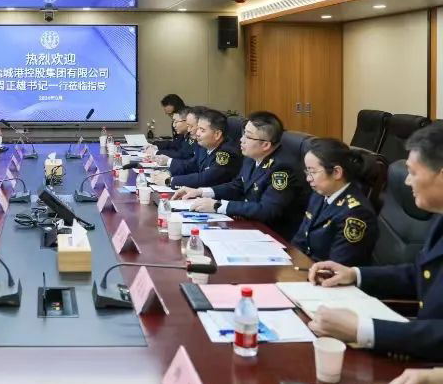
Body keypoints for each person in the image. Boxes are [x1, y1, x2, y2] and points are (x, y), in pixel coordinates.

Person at [308, 123, 443, 361]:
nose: (407, 182)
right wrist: (354, 274)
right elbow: (420, 274)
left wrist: (363, 329)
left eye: (413, 172)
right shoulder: (439, 217)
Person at [173, 111, 302, 239]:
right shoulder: (252, 157)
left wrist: (218, 206)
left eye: (248, 136)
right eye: (243, 134)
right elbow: (238, 185)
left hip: (271, 236)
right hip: (249, 225)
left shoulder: (282, 169)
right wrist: (201, 192)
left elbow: (266, 210)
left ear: (265, 145)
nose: (241, 140)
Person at [292, 138, 378, 266]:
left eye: (313, 172)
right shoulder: (320, 194)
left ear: (337, 172)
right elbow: (299, 241)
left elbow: (337, 266)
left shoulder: (356, 214)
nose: (308, 178)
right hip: (304, 267)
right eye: (307, 171)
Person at [151, 108, 241, 189]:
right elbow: (191, 166)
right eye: (198, 128)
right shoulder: (204, 146)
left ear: (217, 134)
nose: (197, 133)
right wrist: (168, 172)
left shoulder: (227, 153)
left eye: (202, 130)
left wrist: (170, 181)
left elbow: (206, 179)